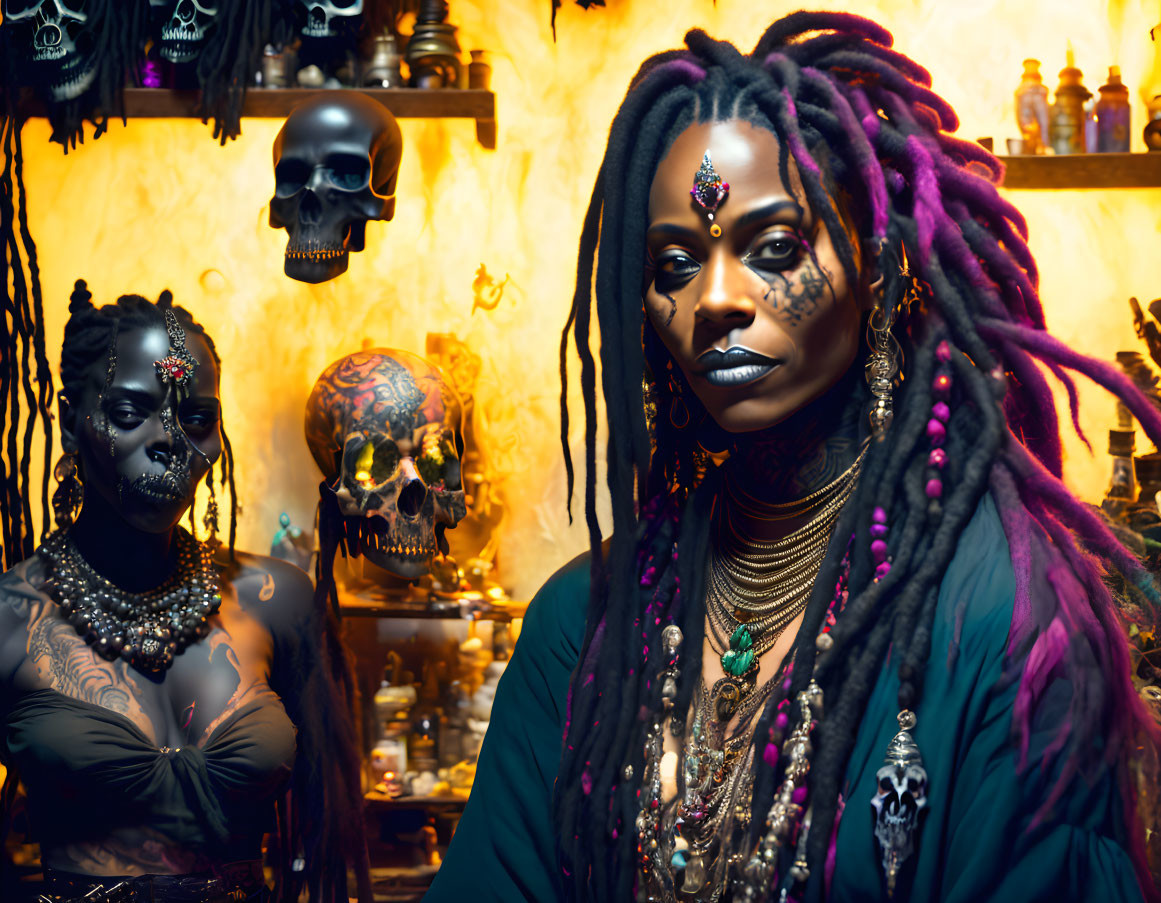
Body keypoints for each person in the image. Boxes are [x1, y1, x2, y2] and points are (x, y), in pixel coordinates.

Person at [426, 12, 1160, 903]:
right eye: (673, 263)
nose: (715, 299)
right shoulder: (579, 627)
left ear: (881, 271)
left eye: (773, 249)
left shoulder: (1005, 625)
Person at [0, 282, 371, 903]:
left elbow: (325, 834)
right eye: (128, 414)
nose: (169, 441)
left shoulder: (277, 599)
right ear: (71, 423)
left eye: (197, 419)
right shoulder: (12, 618)